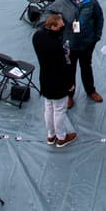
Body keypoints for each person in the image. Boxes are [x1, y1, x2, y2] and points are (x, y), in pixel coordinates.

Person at [32, 13, 77, 147]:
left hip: (45, 79)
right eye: (60, 25)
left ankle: (51, 135)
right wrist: (70, 84)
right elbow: (63, 66)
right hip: (58, 83)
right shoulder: (55, 46)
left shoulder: (37, 37)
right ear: (53, 26)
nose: (63, 26)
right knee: (59, 110)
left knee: (48, 109)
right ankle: (62, 137)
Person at [58, 0, 104, 107]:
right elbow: (53, 14)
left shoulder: (91, 2)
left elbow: (99, 18)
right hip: (69, 44)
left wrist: (97, 36)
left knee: (86, 68)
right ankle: (69, 95)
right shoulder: (64, 2)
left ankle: (90, 91)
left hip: (86, 43)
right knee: (69, 70)